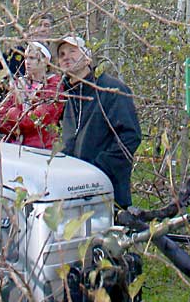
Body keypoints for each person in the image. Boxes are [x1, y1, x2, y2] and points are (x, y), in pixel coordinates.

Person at [54, 35, 141, 209]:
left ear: (87, 57)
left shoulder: (110, 89)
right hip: (74, 195)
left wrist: (98, 170)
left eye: (72, 51)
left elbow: (130, 137)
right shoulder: (69, 97)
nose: (66, 57)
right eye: (62, 54)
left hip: (109, 192)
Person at [0, 42, 66, 148]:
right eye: (26, 58)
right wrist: (16, 128)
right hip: (12, 146)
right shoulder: (19, 83)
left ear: (45, 61)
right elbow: (0, 118)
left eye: (32, 58)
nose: (27, 62)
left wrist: (12, 113)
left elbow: (36, 121)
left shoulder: (53, 87)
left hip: (39, 148)